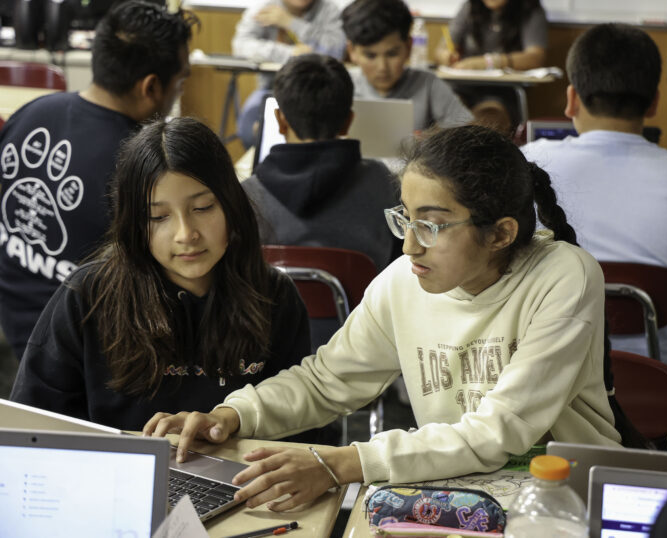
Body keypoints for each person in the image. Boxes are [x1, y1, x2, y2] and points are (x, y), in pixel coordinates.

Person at [144, 124, 621, 511]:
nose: (410, 245)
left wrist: (344, 463)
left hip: (559, 500)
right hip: (454, 492)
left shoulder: (564, 276)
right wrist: (231, 415)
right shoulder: (403, 282)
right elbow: (325, 382)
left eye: (431, 226)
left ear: (500, 234)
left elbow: (500, 432)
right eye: (405, 219)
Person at [10, 117, 313, 436]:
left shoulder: (274, 296)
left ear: (231, 205)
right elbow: (33, 425)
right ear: (134, 224)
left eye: (204, 207)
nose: (186, 234)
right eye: (158, 217)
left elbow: (301, 424)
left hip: (241, 479)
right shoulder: (87, 295)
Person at [521, 23, 667, 377]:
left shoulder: (525, 165)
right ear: (653, 103)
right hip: (654, 379)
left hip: (543, 371)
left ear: (572, 98)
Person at [0, 1, 196, 362]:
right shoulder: (138, 169)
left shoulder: (32, 113)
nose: (178, 93)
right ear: (151, 86)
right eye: (181, 81)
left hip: (12, 327)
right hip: (81, 354)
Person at [242, 53, 398, 273]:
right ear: (348, 122)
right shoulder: (383, 183)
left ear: (280, 121)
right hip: (362, 308)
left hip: (272, 308)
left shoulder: (247, 196)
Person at [342, 0, 473, 132]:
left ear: (408, 47)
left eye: (392, 54)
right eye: (371, 56)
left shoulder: (428, 84)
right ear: (352, 51)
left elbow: (469, 133)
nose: (382, 67)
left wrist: (431, 141)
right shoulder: (343, 86)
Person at [233, 0, 346, 149]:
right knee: (249, 128)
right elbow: (240, 46)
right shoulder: (264, 7)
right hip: (271, 89)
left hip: (320, 89)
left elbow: (337, 50)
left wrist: (291, 22)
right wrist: (290, 53)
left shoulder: (329, 10)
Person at [435, 0, 547, 132]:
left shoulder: (530, 8)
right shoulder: (470, 7)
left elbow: (536, 57)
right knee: (445, 116)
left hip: (502, 92)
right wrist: (446, 55)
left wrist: (489, 62)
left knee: (486, 123)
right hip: (463, 88)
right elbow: (440, 50)